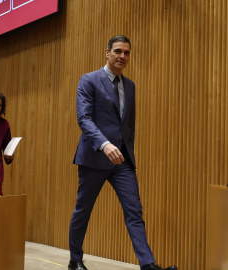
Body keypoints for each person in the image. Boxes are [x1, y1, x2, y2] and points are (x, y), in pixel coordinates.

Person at [69, 35, 178, 270]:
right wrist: (104, 144)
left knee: (134, 210)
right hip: (94, 158)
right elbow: (84, 119)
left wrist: (127, 151)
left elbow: (129, 125)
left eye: (127, 53)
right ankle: (75, 260)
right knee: (83, 210)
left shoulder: (130, 86)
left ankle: (147, 265)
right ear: (107, 53)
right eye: (118, 51)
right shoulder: (88, 80)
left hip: (122, 162)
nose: (122, 57)